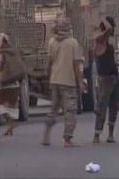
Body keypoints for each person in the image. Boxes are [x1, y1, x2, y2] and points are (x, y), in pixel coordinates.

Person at [42, 16, 86, 147]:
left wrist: (48, 77)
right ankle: (67, 139)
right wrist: (80, 82)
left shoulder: (51, 42)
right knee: (70, 110)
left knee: (53, 109)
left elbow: (49, 62)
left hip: (55, 80)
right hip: (68, 81)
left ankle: (46, 135)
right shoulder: (73, 43)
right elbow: (76, 64)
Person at [92, 17, 119, 144]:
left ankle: (110, 135)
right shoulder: (99, 40)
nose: (113, 30)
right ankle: (97, 134)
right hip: (105, 78)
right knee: (102, 107)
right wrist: (103, 19)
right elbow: (109, 29)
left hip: (113, 77)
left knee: (114, 106)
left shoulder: (107, 41)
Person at [0, 33, 21, 136]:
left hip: (5, 82)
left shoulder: (1, 54)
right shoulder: (14, 52)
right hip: (15, 82)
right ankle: (10, 128)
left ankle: (11, 124)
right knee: (11, 105)